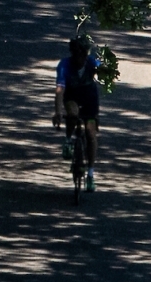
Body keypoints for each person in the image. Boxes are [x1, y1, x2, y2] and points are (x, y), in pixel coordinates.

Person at [54, 37, 102, 189]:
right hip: (72, 95)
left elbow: (103, 72)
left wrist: (105, 72)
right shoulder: (64, 65)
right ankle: (68, 140)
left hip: (89, 97)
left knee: (91, 133)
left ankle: (91, 174)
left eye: (82, 55)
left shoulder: (92, 62)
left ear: (86, 54)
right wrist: (57, 112)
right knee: (72, 114)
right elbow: (60, 91)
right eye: (75, 54)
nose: (79, 58)